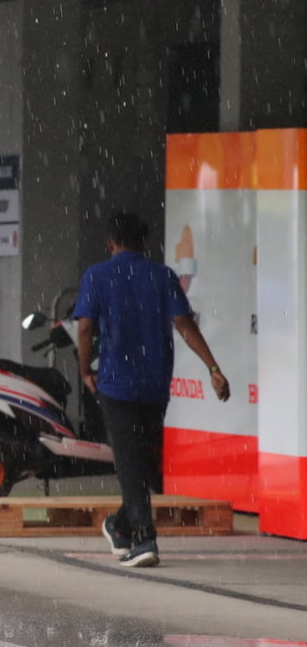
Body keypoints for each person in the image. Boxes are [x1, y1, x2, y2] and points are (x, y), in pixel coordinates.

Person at [75, 210, 230, 568]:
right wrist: (213, 368)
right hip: (155, 384)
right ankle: (120, 525)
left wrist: (85, 371)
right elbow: (185, 325)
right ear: (144, 244)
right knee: (140, 460)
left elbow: (85, 329)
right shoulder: (162, 276)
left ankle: (144, 540)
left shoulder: (97, 276)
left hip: (115, 384)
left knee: (131, 464)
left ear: (110, 243)